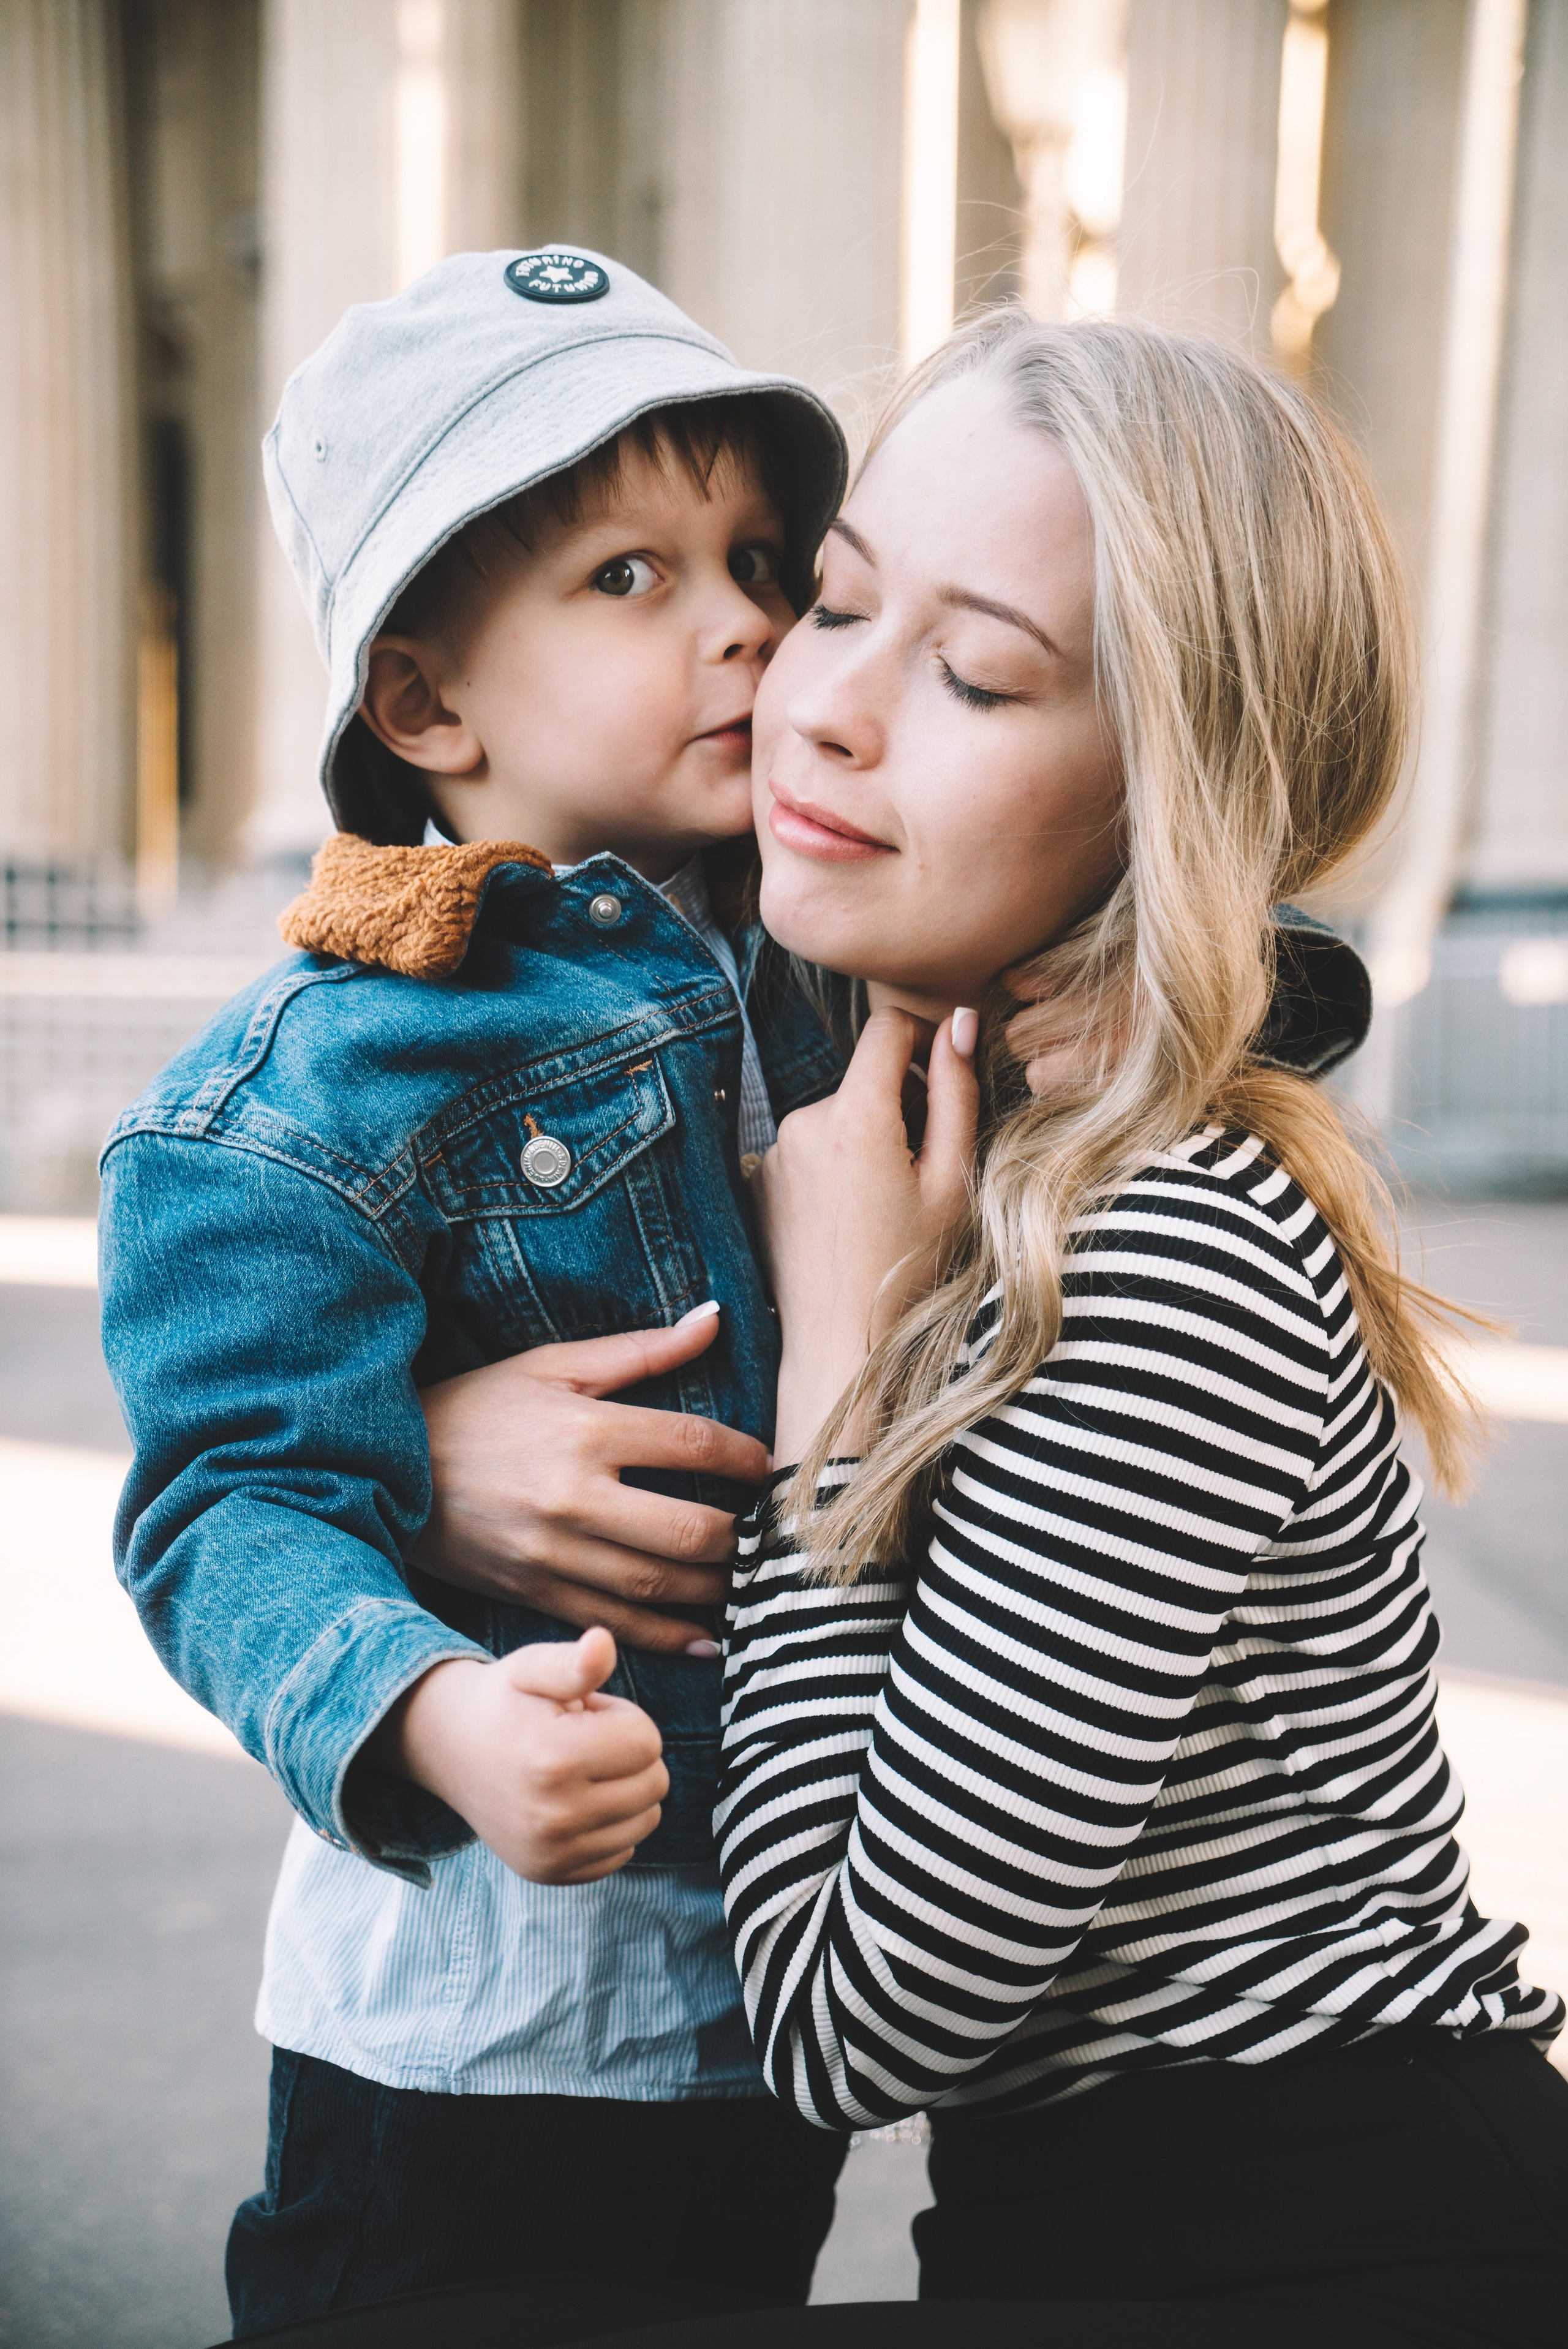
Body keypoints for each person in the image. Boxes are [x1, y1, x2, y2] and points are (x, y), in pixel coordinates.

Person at [710, 312, 1568, 2346]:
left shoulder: (1165, 1241)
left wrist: (831, 1393)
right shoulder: (963, 1156)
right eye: (834, 601)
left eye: (978, 670)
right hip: (1139, 2236)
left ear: (1167, 791)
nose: (825, 708)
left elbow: (850, 2019)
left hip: (1335, 2246)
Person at [99, 247, 856, 2337]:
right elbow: (225, 1509)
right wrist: (428, 1707)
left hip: (759, 1999)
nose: (745, 620)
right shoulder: (313, 1085)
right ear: (427, 702)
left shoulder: (805, 946)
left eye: (764, 556)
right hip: (478, 2035)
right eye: (628, 577)